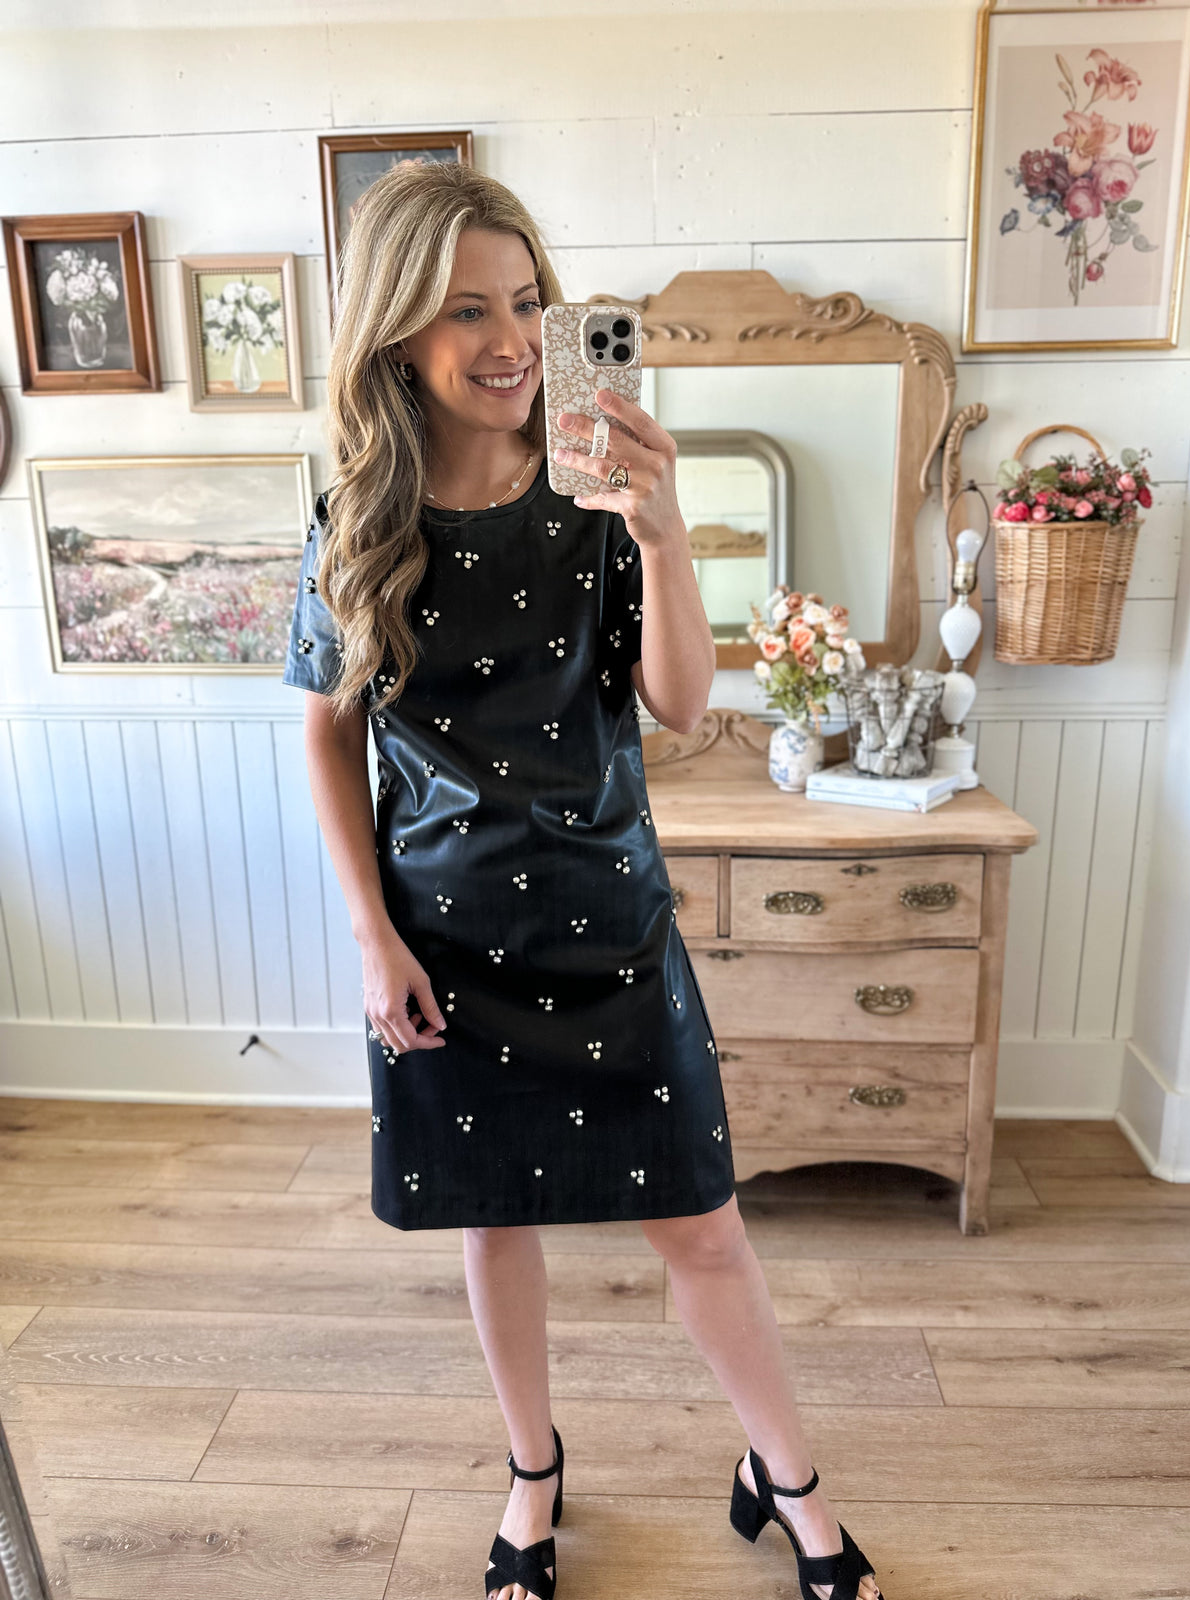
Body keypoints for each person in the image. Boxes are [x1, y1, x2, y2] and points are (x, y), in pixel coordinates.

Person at [281, 161, 883, 1600]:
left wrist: (663, 532)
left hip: (612, 928)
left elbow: (680, 701)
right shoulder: (357, 518)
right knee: (496, 1221)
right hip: (447, 945)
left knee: (704, 1228)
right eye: (465, 310)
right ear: (395, 334)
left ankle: (788, 1482)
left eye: (527, 303)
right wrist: (372, 940)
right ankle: (533, 1475)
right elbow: (325, 736)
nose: (507, 340)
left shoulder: (599, 490)